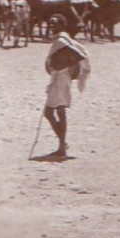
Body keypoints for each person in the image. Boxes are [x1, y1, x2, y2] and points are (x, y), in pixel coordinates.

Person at [41, 32, 91, 160]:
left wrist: (66, 64)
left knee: (55, 111)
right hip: (59, 77)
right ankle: (62, 145)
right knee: (52, 111)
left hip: (62, 78)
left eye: (55, 23)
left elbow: (79, 55)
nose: (52, 26)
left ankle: (62, 146)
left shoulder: (62, 41)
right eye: (51, 24)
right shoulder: (61, 40)